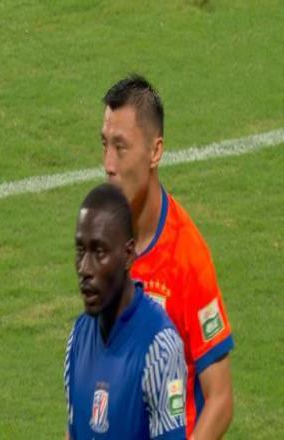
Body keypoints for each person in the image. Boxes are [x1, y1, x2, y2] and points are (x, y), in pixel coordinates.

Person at [100, 75, 235, 439]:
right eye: (104, 145)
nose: (108, 164)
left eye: (121, 147)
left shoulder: (187, 257)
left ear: (155, 152)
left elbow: (220, 399)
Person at [64, 183, 187, 439]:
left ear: (129, 254)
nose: (85, 268)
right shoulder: (77, 338)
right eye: (80, 251)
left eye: (99, 252)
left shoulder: (159, 348)